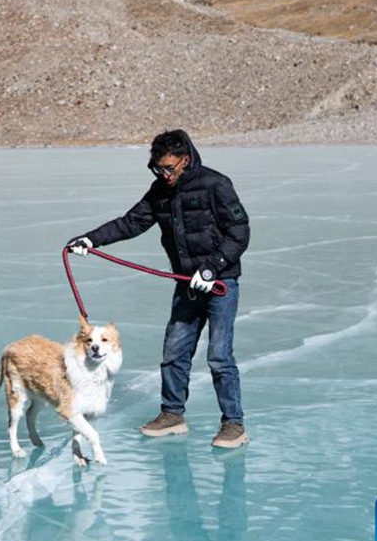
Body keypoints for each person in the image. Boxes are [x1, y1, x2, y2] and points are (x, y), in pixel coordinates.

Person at [67, 129, 250, 449]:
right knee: (174, 353)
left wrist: (212, 266)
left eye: (169, 168)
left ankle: (233, 424)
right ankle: (172, 415)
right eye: (158, 169)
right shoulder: (160, 192)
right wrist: (91, 239)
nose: (164, 175)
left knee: (220, 356)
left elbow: (240, 230)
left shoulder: (216, 185)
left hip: (220, 284)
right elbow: (130, 222)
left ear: (186, 160)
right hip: (186, 285)